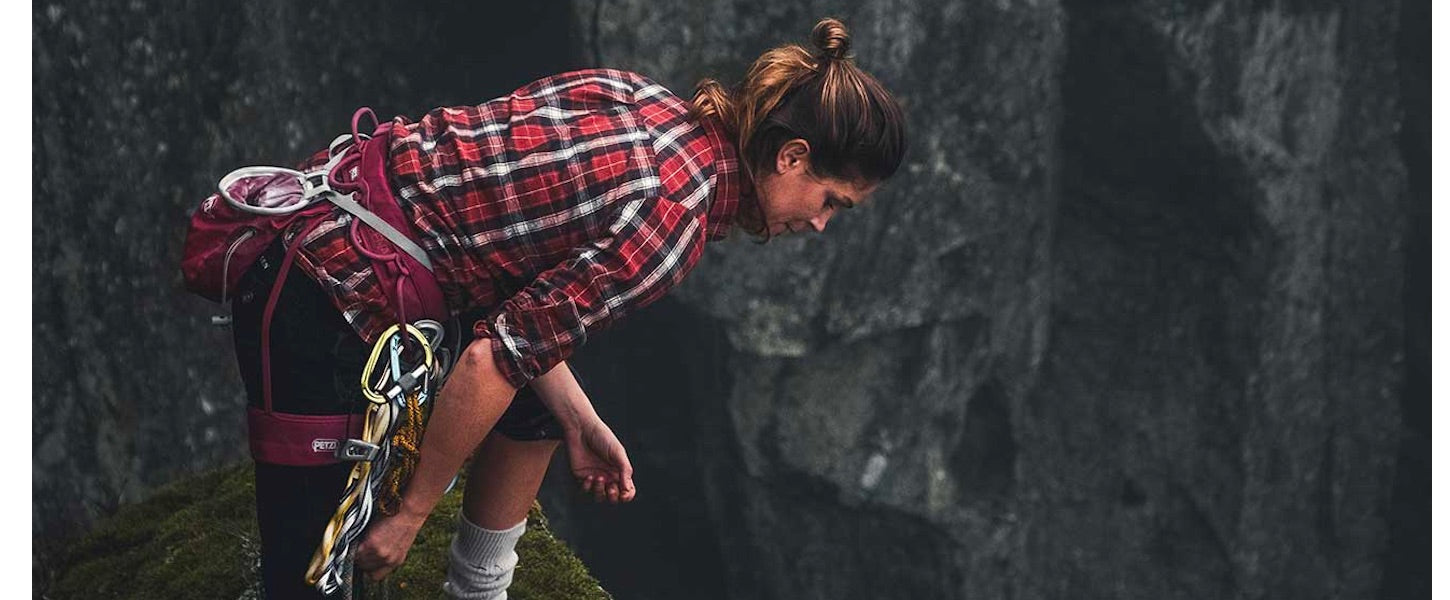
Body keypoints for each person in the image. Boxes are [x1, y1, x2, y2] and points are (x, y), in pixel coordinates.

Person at [224, 16, 904, 599]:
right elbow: (494, 359)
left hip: (344, 227)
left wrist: (578, 421)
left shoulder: (647, 102)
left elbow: (513, 309)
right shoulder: (671, 220)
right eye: (831, 204)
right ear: (791, 157)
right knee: (310, 578)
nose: (819, 227)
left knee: (534, 399)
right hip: (324, 296)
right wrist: (410, 516)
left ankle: (479, 589)